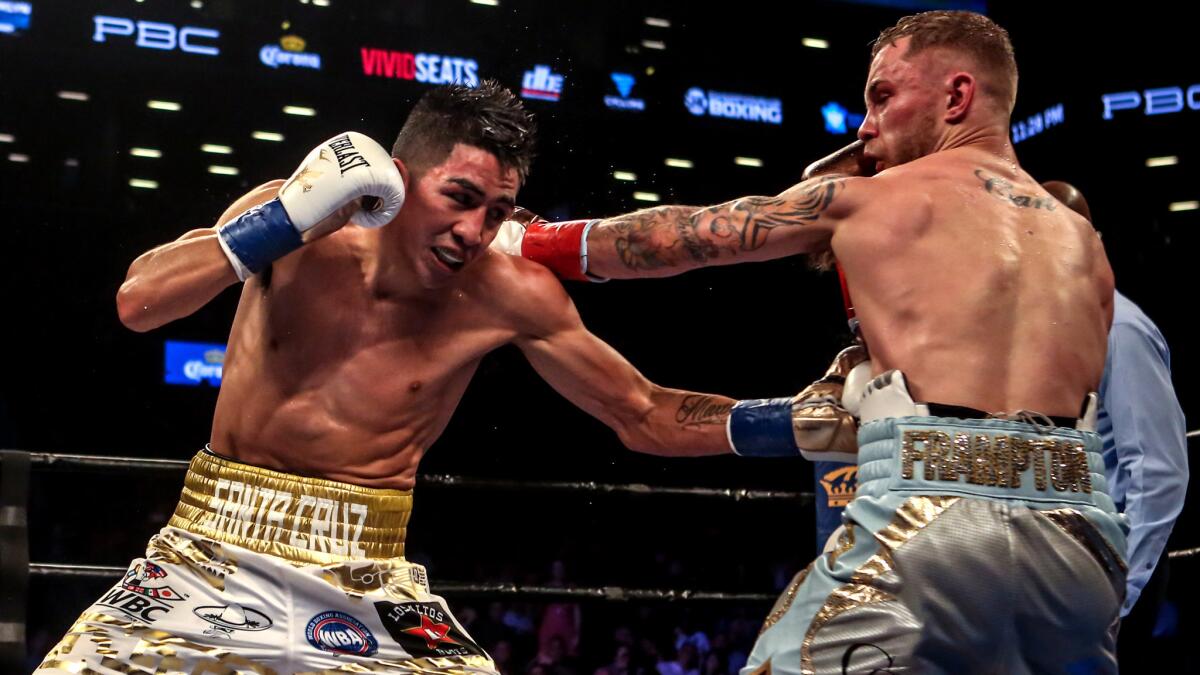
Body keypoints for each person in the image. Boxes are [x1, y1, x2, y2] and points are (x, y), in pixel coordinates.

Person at [35, 82, 818, 674]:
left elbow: (642, 411)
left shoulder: (508, 292)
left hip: (368, 567)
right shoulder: (297, 226)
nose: (474, 231)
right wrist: (290, 217)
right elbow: (138, 301)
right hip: (208, 548)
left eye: (497, 209)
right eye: (461, 198)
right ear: (400, 178)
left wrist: (801, 421)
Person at [499, 11, 1128, 672]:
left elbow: (681, 235)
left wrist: (528, 240)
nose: (864, 125)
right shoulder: (1084, 244)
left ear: (957, 95)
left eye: (883, 96)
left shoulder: (870, 200)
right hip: (1080, 528)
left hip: (929, 513)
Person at [1043, 180, 1188, 662]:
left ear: (1091, 242)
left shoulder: (1120, 331)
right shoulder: (1042, 332)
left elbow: (1159, 471)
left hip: (1114, 565)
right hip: (1058, 567)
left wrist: (1123, 592)